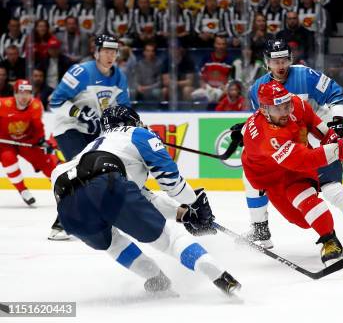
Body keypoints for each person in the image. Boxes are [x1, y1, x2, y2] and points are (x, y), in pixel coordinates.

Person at [51, 105, 241, 295]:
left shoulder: (95, 146)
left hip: (66, 199)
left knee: (112, 242)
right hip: (107, 183)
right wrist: (194, 203)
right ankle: (220, 275)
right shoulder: (137, 134)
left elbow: (141, 197)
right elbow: (171, 183)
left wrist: (182, 214)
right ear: (133, 121)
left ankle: (157, 279)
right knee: (169, 239)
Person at [241, 38, 343, 249]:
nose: (280, 66)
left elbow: (335, 93)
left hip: (319, 135)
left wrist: (337, 123)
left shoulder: (305, 75)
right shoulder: (257, 88)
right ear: (267, 63)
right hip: (290, 146)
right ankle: (261, 229)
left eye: (284, 60)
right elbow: (263, 120)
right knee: (251, 177)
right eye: (275, 61)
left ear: (290, 59)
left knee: (330, 187)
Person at [48, 34, 130, 241]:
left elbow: (123, 108)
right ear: (96, 52)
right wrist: (81, 113)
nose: (110, 55)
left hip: (94, 129)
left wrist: (128, 123)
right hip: (68, 126)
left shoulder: (119, 77)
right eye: (106, 51)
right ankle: (61, 222)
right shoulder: (81, 72)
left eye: (114, 51)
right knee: (80, 170)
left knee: (100, 171)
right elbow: (55, 101)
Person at [0, 79, 58, 206]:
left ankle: (63, 189)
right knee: (8, 159)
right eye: (21, 92)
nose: (24, 96)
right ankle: (22, 190)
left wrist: (42, 140)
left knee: (47, 164)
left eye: (27, 92)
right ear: (15, 93)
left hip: (28, 142)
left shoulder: (36, 105)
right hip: (5, 142)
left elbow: (38, 127)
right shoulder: (3, 104)